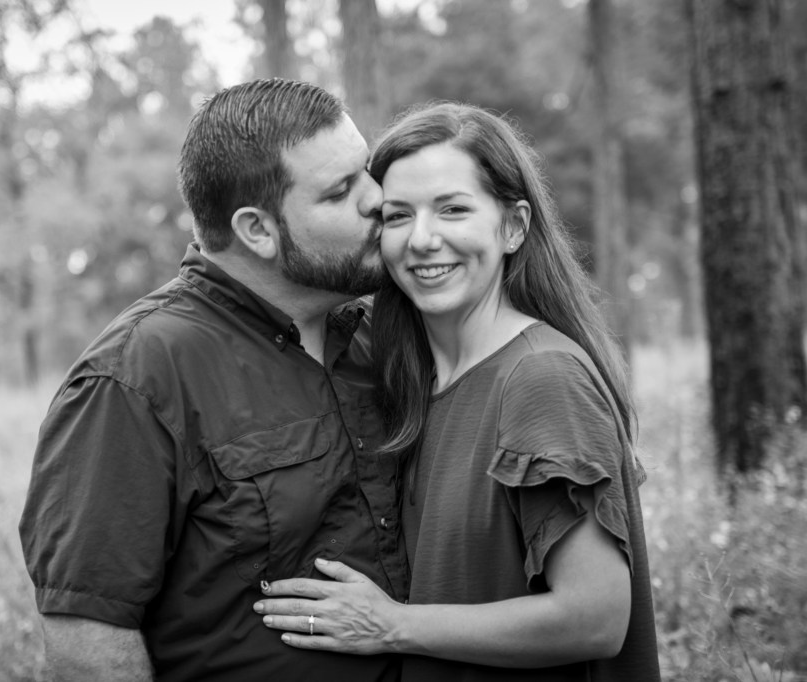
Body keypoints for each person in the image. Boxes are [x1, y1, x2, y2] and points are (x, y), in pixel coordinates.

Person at [18, 78, 409, 682]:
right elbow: (87, 641)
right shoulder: (135, 377)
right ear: (257, 230)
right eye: (340, 191)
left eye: (367, 171)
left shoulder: (377, 337)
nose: (378, 199)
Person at [254, 102, 661, 681]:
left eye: (453, 209)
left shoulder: (540, 378)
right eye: (398, 215)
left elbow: (595, 617)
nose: (422, 240)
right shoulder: (411, 383)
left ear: (513, 226)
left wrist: (390, 624)